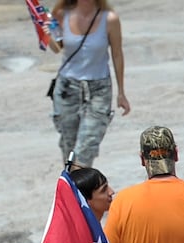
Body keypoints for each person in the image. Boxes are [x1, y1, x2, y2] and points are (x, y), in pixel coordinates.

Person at [49, 0, 129, 169]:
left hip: (99, 88)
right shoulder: (62, 14)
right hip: (67, 88)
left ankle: (77, 188)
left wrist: (121, 92)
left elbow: (117, 54)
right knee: (68, 146)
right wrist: (47, 34)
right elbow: (56, 48)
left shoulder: (110, 19)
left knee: (86, 147)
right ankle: (73, 190)